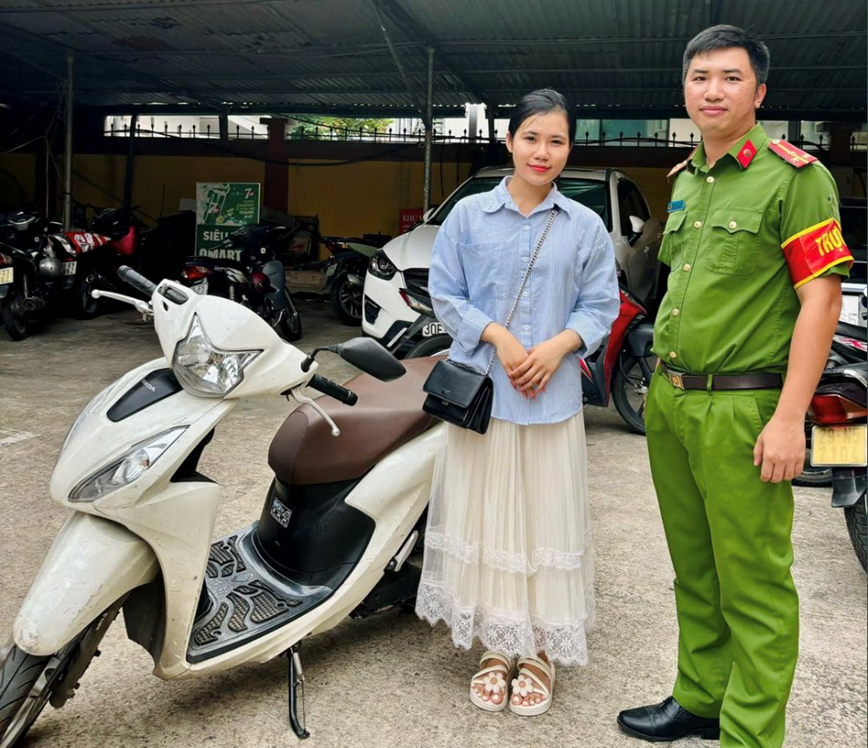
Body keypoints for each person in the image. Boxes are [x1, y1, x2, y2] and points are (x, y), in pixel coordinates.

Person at [617, 25, 853, 747]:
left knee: (754, 582)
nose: (712, 90)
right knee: (695, 568)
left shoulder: (797, 177)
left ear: (760, 92)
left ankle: (750, 733)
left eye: (729, 77)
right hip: (673, 399)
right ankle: (700, 698)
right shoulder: (686, 179)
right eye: (699, 78)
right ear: (684, 90)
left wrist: (788, 421)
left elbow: (822, 299)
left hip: (745, 406)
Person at [415, 88, 620, 715]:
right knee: (489, 518)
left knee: (543, 517)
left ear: (568, 149)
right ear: (509, 141)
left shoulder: (584, 225)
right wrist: (500, 336)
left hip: (551, 401)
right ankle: (498, 645)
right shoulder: (470, 217)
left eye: (556, 140)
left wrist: (556, 348)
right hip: (485, 398)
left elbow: (601, 305)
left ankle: (540, 649)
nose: (543, 151)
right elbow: (444, 293)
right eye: (531, 137)